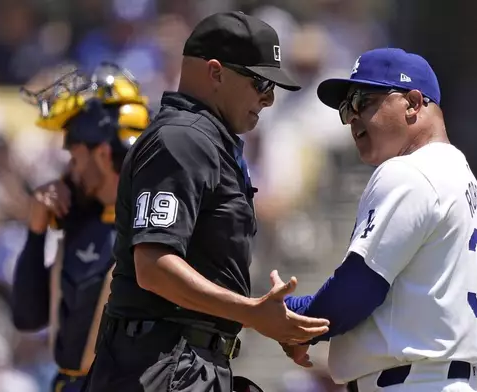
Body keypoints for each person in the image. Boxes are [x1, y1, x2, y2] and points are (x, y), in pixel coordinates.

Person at [81, 11, 330, 392]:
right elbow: (154, 266)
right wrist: (251, 314)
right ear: (215, 73)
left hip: (183, 362)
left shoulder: (208, 140)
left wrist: (268, 320)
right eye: (260, 82)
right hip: (157, 365)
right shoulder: (181, 140)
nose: (268, 98)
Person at [280, 48, 477, 392]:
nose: (351, 119)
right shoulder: (463, 179)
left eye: (363, 101)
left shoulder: (410, 171)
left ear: (412, 102)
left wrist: (286, 313)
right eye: (346, 109)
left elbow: (356, 289)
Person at [11, 63, 151, 392]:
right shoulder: (78, 220)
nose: (69, 170)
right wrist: (37, 229)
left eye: (75, 157)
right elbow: (27, 317)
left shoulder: (150, 227)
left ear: (102, 154)